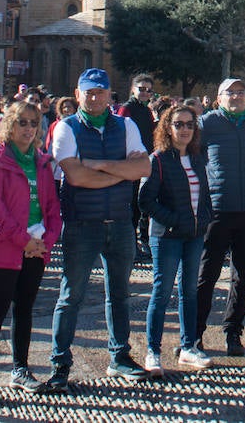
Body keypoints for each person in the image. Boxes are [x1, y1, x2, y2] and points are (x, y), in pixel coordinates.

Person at [45, 69, 151, 389]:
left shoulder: (126, 125)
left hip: (119, 222)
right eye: (88, 92)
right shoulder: (67, 128)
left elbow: (143, 167)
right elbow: (75, 177)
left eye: (100, 91)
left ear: (109, 94)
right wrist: (122, 172)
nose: (94, 97)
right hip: (81, 224)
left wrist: (98, 164)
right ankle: (60, 364)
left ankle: (119, 357)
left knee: (119, 294)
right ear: (78, 95)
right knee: (70, 296)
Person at [0, 101, 62, 404]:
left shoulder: (41, 161)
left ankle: (20, 369)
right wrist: (23, 240)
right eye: (22, 122)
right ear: (10, 124)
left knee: (24, 310)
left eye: (33, 123)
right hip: (4, 247)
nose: (28, 128)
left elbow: (51, 206)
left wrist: (48, 238)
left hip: (34, 247)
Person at [195, 77, 245, 358]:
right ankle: (195, 333)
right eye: (231, 93)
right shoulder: (207, 123)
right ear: (219, 97)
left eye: (241, 92)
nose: (237, 97)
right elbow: (194, 157)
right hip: (218, 208)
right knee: (207, 274)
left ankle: (233, 331)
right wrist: (203, 193)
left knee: (242, 276)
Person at [139, 105, 214, 373]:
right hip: (167, 237)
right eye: (179, 124)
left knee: (189, 292)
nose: (184, 129)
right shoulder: (157, 159)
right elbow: (146, 201)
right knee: (161, 293)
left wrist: (205, 218)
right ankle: (152, 351)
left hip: (193, 235)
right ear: (167, 128)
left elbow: (204, 195)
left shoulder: (196, 158)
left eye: (189, 124)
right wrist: (175, 220)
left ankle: (188, 346)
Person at [117, 73, 158, 260]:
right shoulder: (127, 109)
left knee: (138, 206)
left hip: (145, 162)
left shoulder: (146, 110)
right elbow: (121, 134)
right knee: (130, 205)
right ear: (133, 89)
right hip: (130, 163)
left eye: (148, 90)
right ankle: (128, 247)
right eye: (141, 89)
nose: (145, 93)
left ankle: (136, 245)